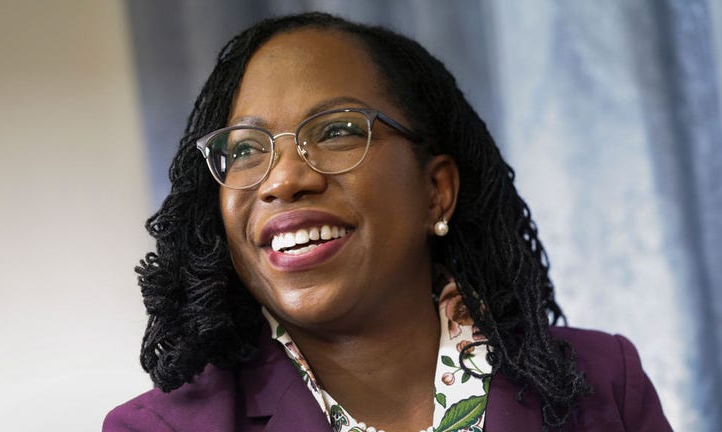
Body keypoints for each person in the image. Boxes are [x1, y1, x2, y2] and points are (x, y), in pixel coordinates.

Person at [104, 12, 672, 432]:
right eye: (245, 149)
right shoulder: (160, 429)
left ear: (435, 192)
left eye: (336, 131)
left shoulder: (605, 384)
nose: (282, 180)